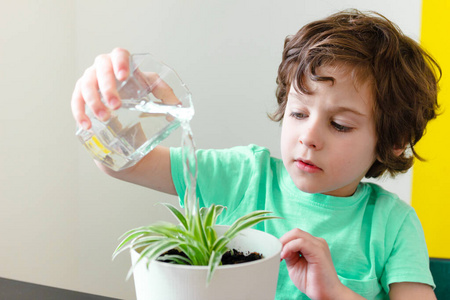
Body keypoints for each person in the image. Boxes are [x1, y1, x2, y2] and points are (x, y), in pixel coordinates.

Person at [71, 9, 441, 300]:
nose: (308, 137)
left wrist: (335, 293)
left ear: (393, 141)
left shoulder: (393, 226)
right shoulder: (244, 175)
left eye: (340, 125)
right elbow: (123, 164)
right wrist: (102, 106)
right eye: (298, 113)